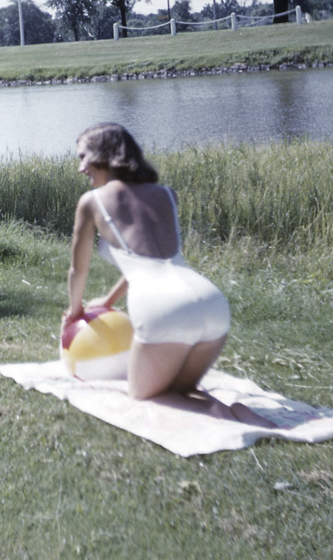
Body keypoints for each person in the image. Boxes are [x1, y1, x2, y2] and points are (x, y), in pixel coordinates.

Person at [66, 122, 234, 402]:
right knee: (180, 393)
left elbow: (78, 269)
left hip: (159, 309)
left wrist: (74, 313)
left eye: (83, 157)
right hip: (212, 302)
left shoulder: (92, 201)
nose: (81, 168)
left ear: (103, 155)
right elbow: (147, 262)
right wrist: (108, 300)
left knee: (144, 399)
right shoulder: (167, 194)